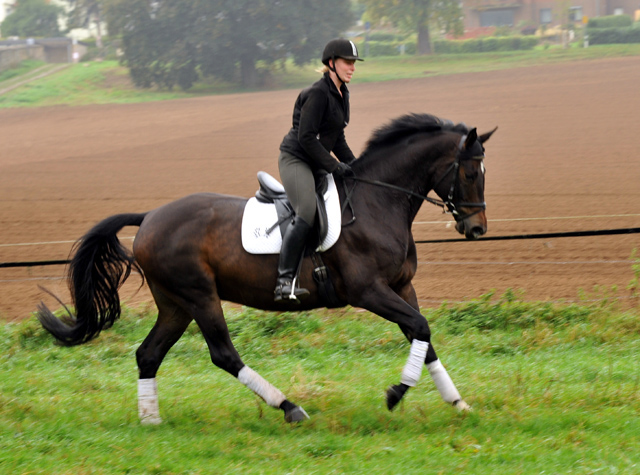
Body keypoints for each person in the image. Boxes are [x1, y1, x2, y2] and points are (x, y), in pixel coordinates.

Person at [274, 38, 363, 303]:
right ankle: (283, 281)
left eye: (354, 63)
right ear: (332, 63)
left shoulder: (342, 94)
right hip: (296, 159)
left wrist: (358, 168)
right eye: (348, 62)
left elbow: (338, 139)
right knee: (307, 211)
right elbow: (306, 138)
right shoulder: (317, 93)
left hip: (318, 162)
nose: (352, 68)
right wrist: (335, 166)